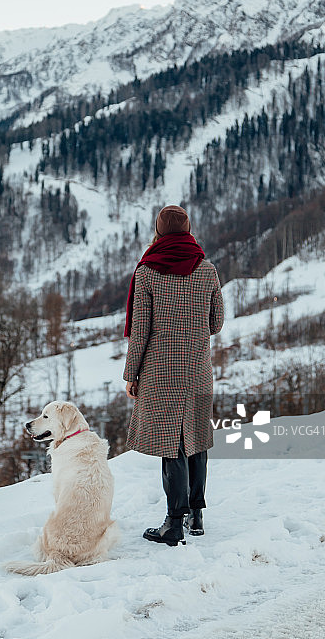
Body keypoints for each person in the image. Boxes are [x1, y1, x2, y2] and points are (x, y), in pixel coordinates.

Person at [123, 205, 225, 547]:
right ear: (188, 229)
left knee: (172, 445)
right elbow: (216, 323)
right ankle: (197, 514)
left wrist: (131, 374)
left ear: (159, 231)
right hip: (198, 368)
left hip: (160, 370)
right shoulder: (207, 270)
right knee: (196, 438)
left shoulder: (147, 273)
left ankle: (174, 523)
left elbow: (140, 331)